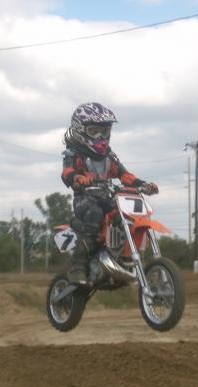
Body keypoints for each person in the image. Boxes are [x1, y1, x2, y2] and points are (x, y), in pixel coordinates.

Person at [61, 102, 158, 284]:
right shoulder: (74, 153)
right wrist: (78, 178)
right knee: (95, 215)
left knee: (128, 216)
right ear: (80, 130)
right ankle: (78, 268)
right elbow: (67, 173)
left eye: (104, 131)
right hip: (85, 200)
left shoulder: (108, 156)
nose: (101, 136)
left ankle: (122, 257)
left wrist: (143, 185)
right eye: (95, 131)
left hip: (107, 197)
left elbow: (124, 175)